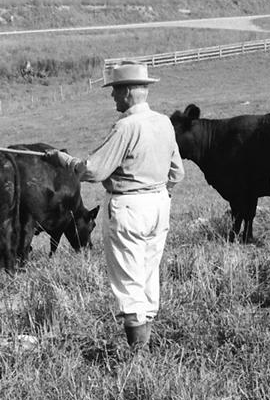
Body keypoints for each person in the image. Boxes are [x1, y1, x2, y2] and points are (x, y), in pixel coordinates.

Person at [45, 62, 184, 353]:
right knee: (147, 273)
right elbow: (177, 173)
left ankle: (139, 356)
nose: (113, 97)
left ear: (130, 92)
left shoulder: (126, 126)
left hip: (130, 206)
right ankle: (144, 347)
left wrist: (64, 161)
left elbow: (94, 171)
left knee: (128, 277)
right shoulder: (164, 123)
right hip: (159, 204)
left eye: (116, 91)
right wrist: (160, 192)